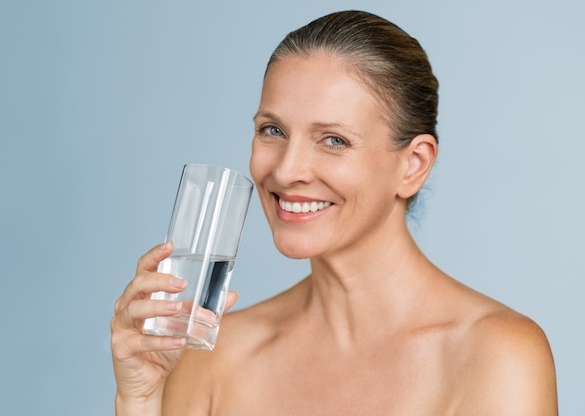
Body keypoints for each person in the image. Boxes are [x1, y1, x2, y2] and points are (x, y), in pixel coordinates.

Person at [111, 10, 558, 415]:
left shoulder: (495, 356)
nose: (286, 171)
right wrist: (141, 401)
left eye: (333, 140)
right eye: (273, 130)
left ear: (413, 165)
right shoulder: (216, 354)